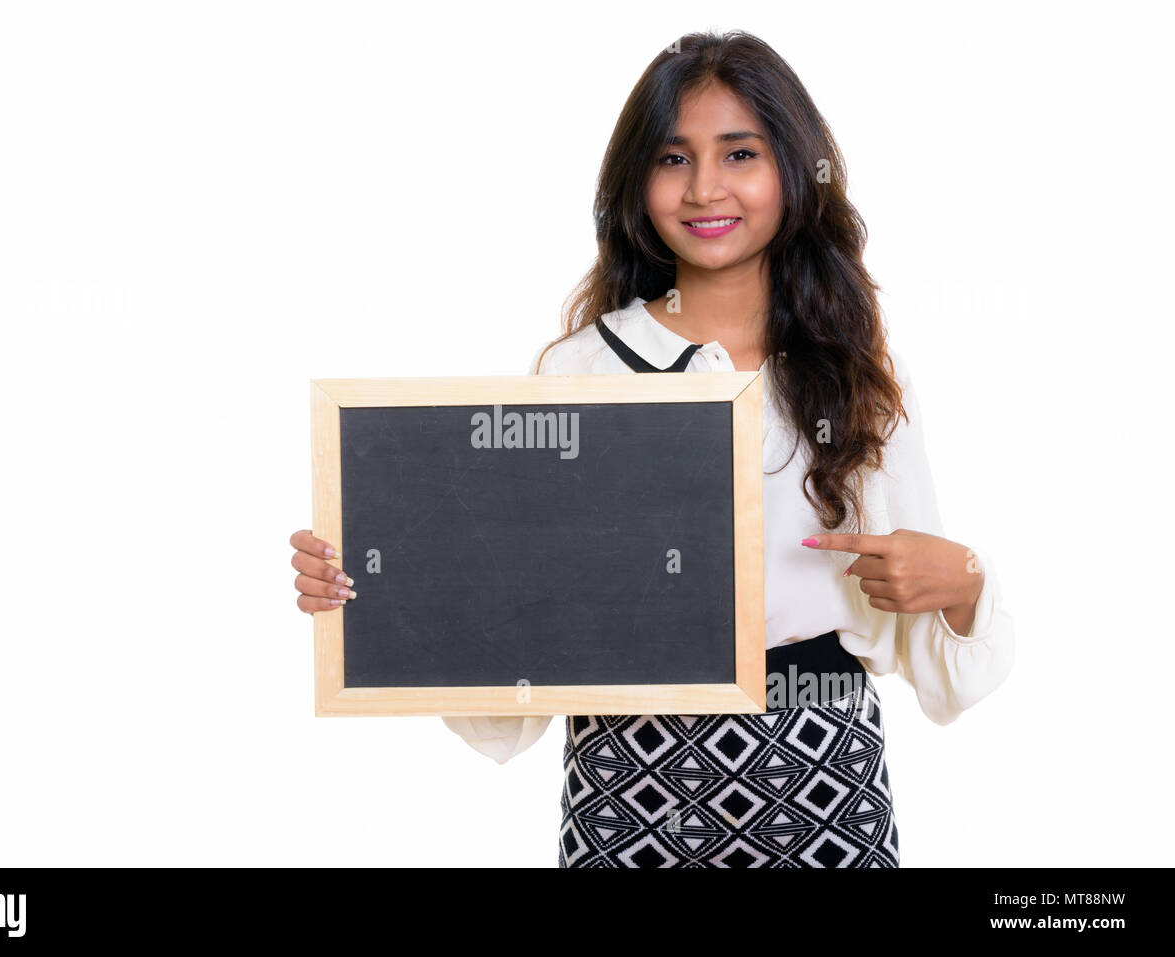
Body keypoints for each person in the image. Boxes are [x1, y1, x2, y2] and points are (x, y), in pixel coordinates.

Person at [290, 30, 1014, 867]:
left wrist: (964, 580)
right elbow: (508, 647)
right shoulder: (579, 371)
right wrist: (378, 586)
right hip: (625, 776)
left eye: (739, 152)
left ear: (792, 167)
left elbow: (937, 642)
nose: (706, 186)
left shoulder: (855, 368)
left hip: (822, 773)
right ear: (638, 182)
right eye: (674, 158)